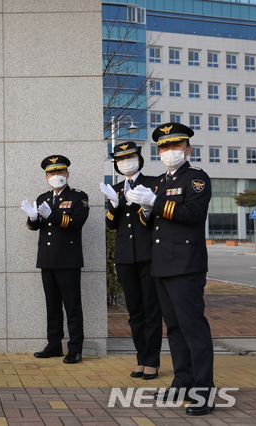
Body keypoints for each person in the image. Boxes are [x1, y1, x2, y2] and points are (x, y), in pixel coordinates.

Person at [126, 122, 215, 416]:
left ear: (187, 149)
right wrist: (147, 209)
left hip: (186, 264)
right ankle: (183, 381)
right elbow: (150, 223)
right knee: (174, 328)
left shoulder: (196, 180)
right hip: (162, 264)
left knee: (193, 328)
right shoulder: (160, 183)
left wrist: (156, 202)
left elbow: (192, 215)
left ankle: (204, 390)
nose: (169, 151)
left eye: (175, 146)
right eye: (164, 147)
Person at [101, 142, 162, 380]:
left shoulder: (153, 184)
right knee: (135, 311)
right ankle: (140, 359)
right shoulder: (115, 188)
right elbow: (111, 224)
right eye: (120, 159)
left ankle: (152, 362)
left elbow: (158, 219)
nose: (125, 161)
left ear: (139, 158)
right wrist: (114, 206)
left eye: (130, 157)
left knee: (151, 311)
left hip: (149, 255)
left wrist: (147, 206)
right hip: (125, 257)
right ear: (116, 164)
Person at [21, 155, 89, 364]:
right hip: (47, 258)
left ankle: (75, 349)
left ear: (67, 174)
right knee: (52, 305)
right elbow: (37, 226)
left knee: (72, 306)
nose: (56, 175)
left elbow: (77, 222)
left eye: (60, 172)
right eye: (51, 172)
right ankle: (54, 345)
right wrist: (32, 219)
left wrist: (53, 215)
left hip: (68, 260)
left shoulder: (79, 197)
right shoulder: (43, 197)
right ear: (46, 176)